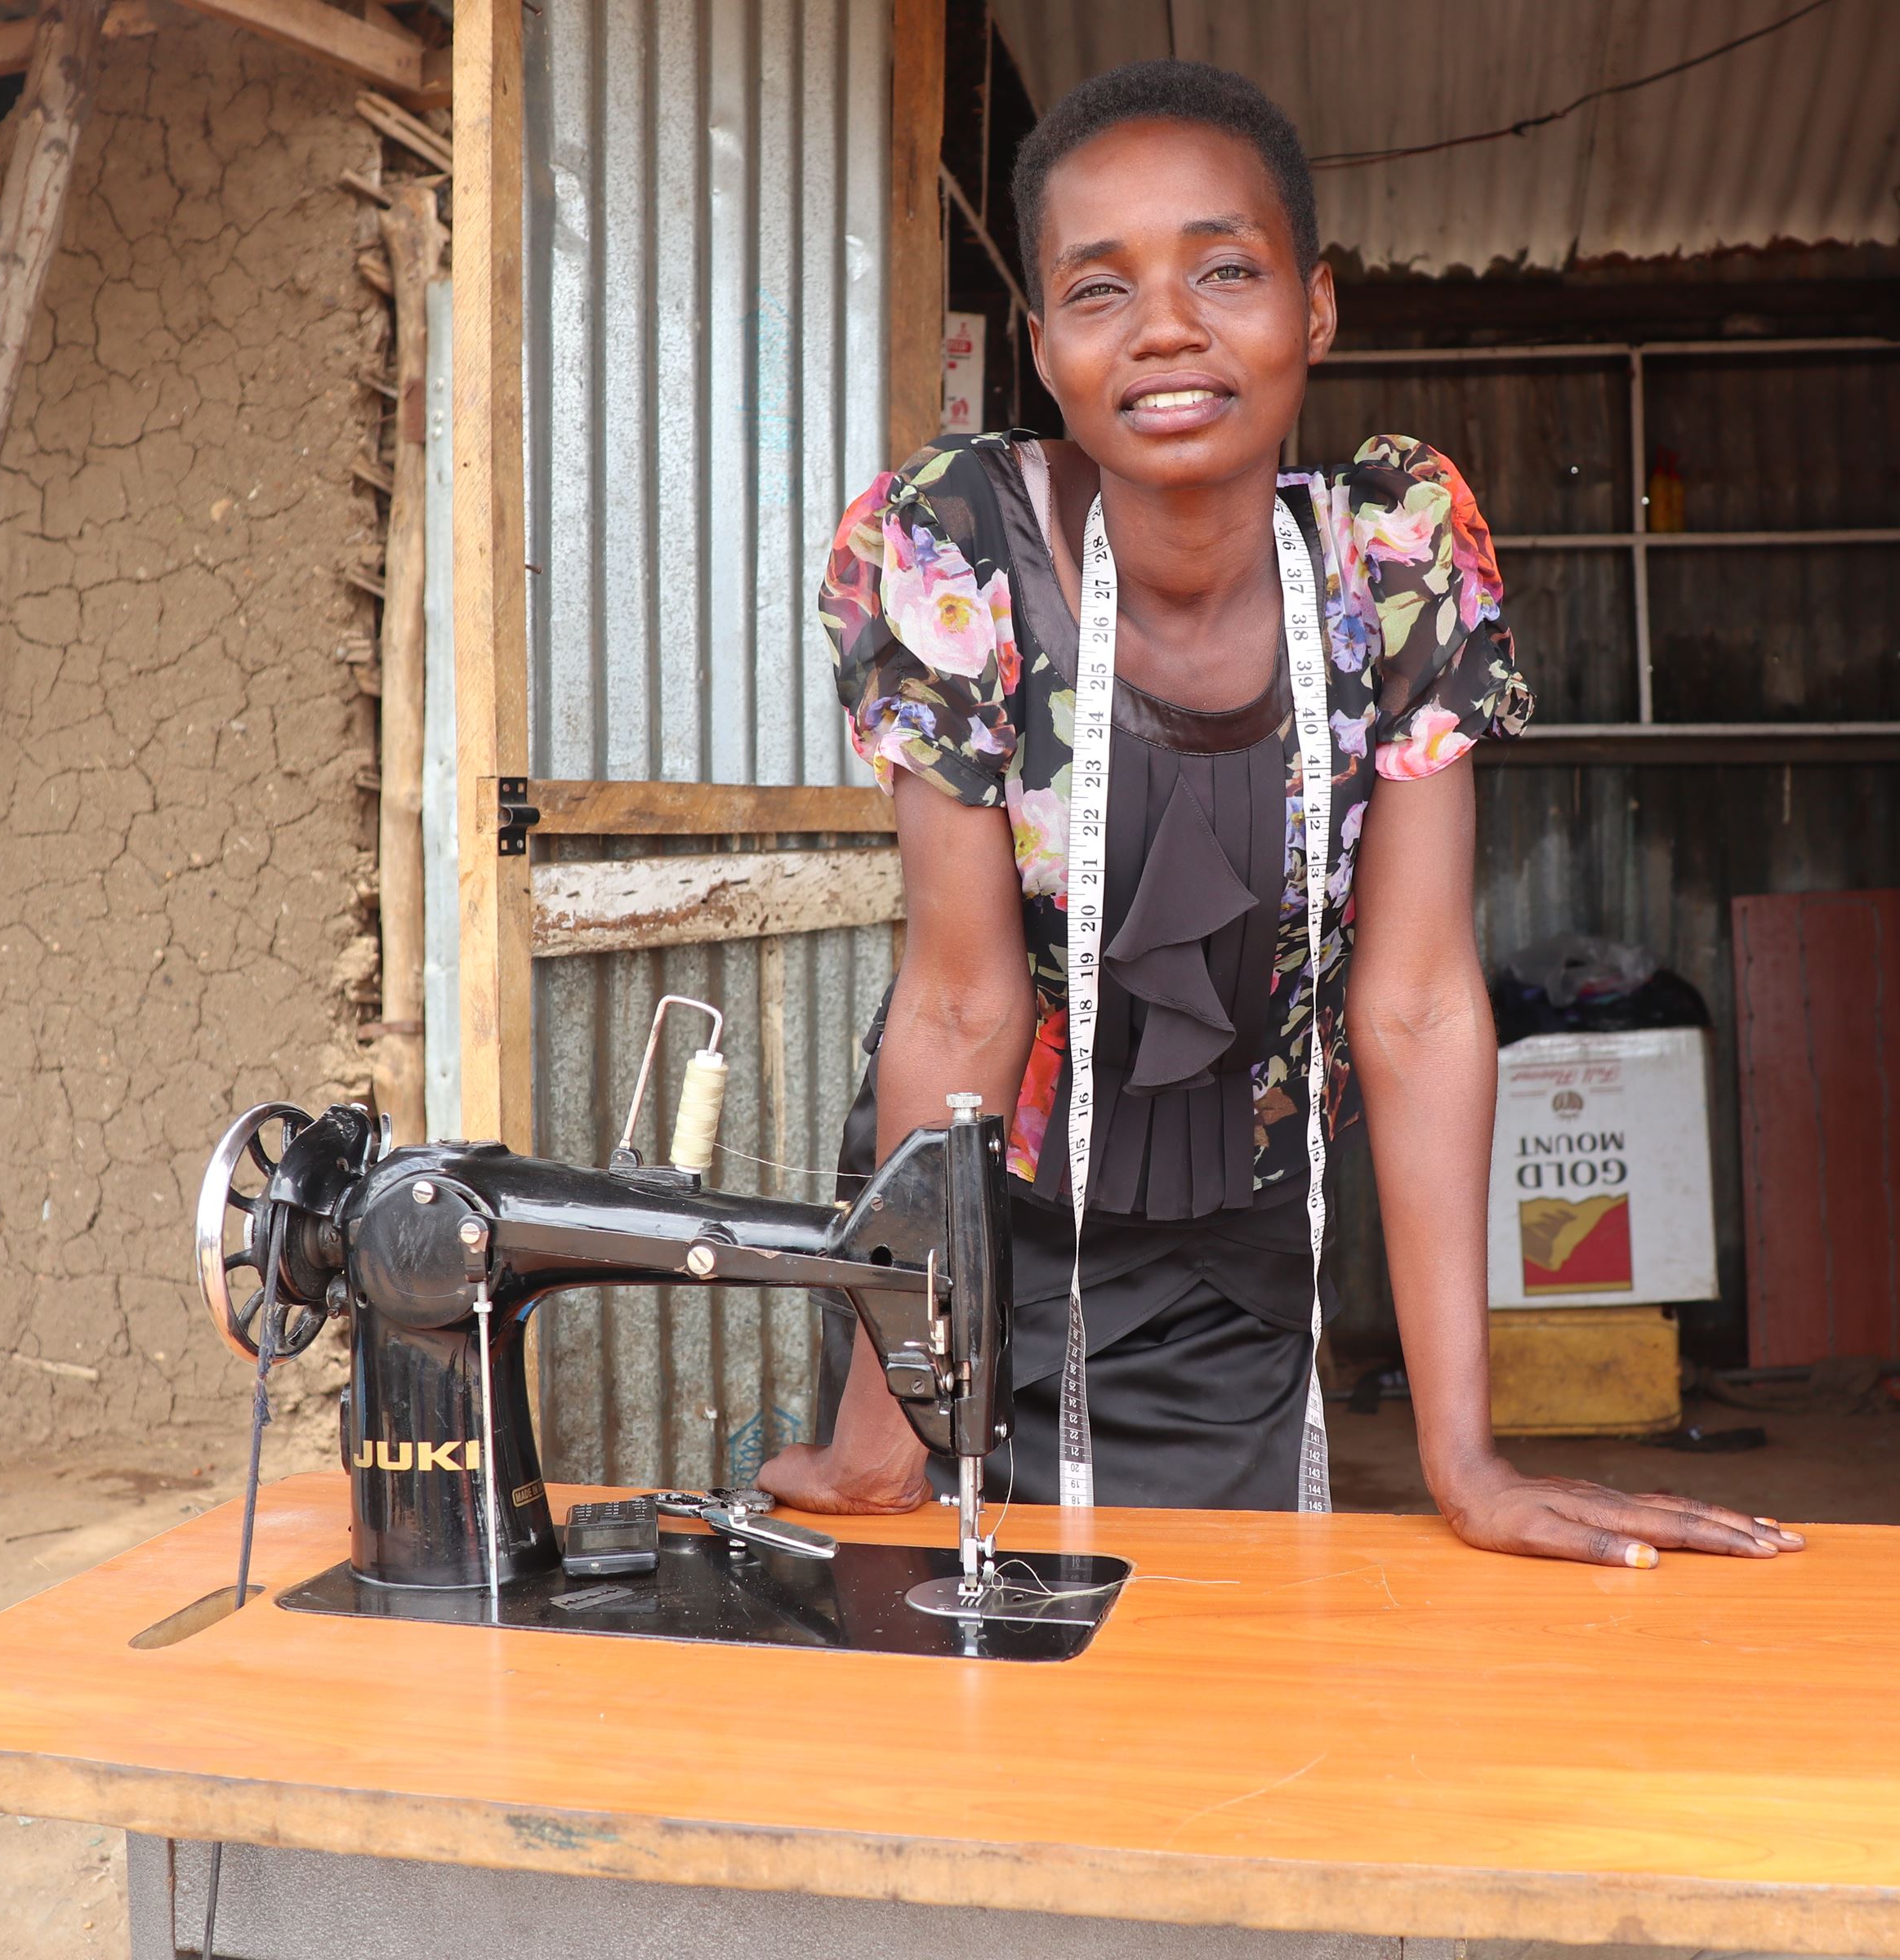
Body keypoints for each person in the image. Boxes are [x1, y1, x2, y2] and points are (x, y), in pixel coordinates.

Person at [759, 60, 1798, 1570]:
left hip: (1229, 1252)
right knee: (940, 1646)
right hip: (968, 1212)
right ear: (1040, 342)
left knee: (1208, 1661)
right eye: (1100, 289)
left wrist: (1471, 1466)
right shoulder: (956, 548)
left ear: (1316, 308)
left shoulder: (1395, 555)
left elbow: (1425, 1006)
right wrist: (883, 1414)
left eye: (1224, 269)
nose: (1167, 325)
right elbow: (964, 1000)